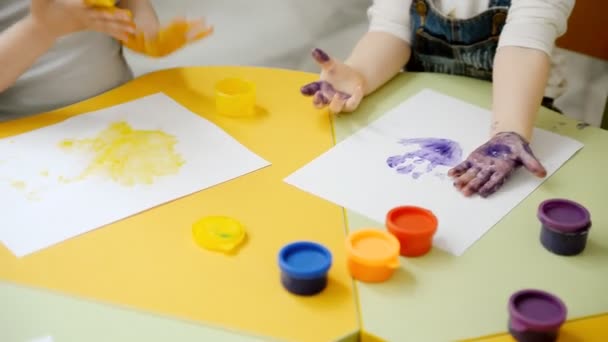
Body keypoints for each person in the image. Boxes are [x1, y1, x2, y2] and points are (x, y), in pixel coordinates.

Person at [300, 0, 575, 198]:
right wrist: (358, 73)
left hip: (520, 104)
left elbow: (525, 44)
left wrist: (508, 133)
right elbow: (392, 30)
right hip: (428, 103)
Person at [0, 0, 207, 120]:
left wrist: (147, 34)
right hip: (27, 132)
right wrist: (41, 30)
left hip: (115, 110)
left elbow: (131, 3)